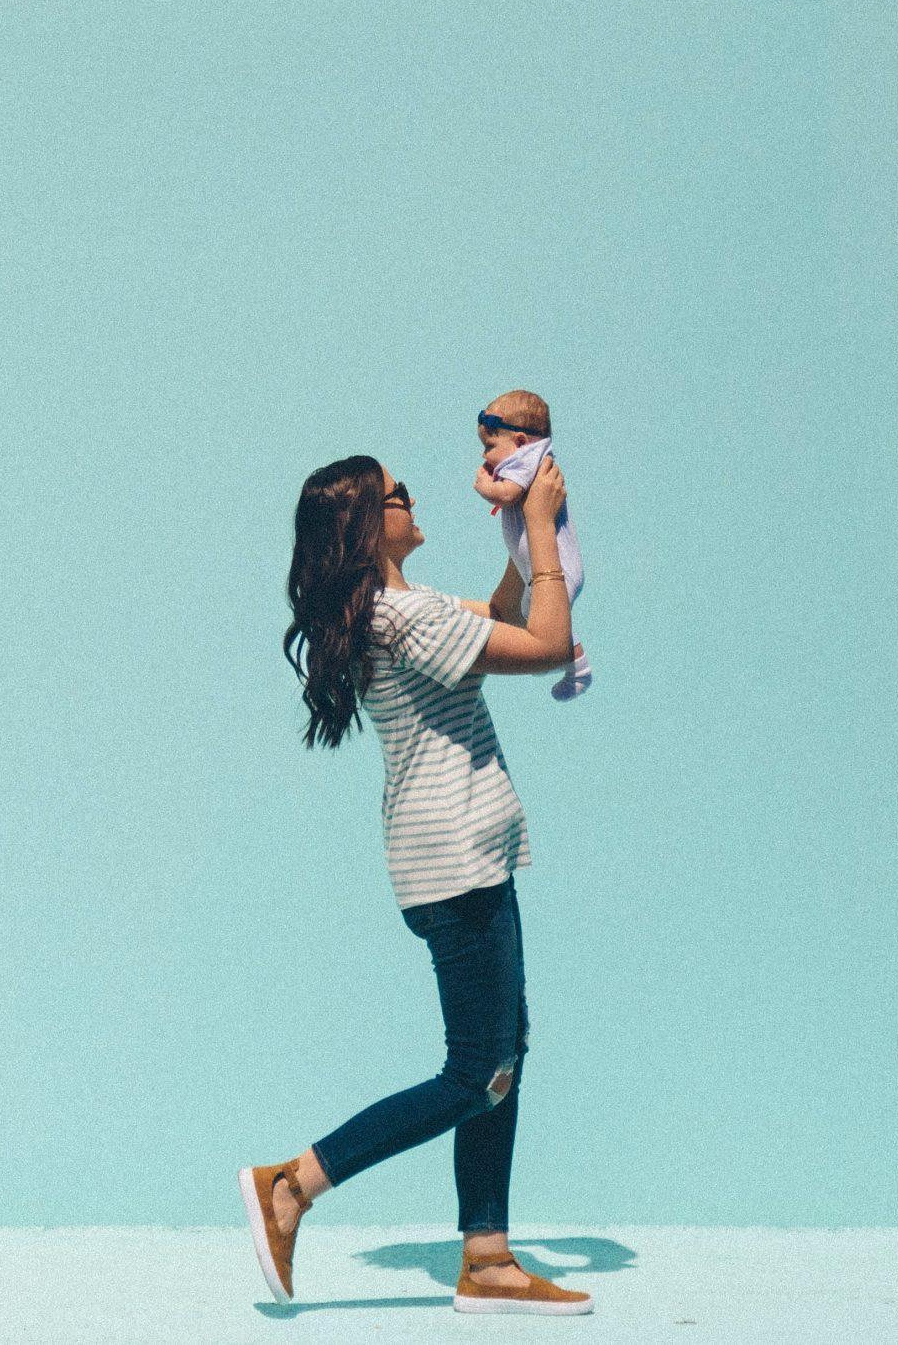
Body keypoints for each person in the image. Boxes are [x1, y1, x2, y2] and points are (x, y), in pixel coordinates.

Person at [240, 452, 593, 1317]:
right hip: (458, 856)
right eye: (398, 494)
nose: (412, 499)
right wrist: (545, 530)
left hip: (453, 852)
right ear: (369, 524)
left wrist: (519, 528)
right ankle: (294, 1182)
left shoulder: (406, 612)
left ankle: (488, 1256)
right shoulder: (402, 619)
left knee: (502, 1051)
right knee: (477, 1069)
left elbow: (506, 614)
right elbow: (546, 643)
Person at [471, 391, 592, 701]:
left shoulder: (531, 460)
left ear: (521, 441)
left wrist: (485, 486)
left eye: (489, 446)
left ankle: (576, 664)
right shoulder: (524, 458)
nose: (485, 456)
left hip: (557, 568)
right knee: (530, 619)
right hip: (538, 570)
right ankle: (564, 659)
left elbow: (508, 494)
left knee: (538, 622)